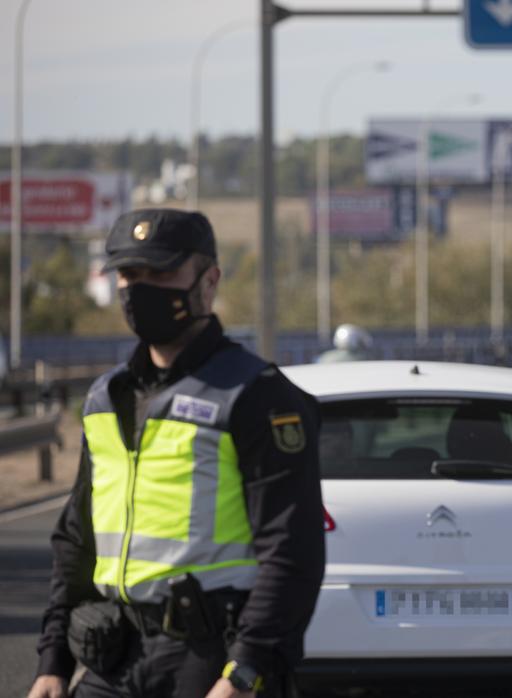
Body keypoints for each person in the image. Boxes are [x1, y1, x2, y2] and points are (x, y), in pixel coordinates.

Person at [27, 209, 325, 698]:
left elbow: (293, 553)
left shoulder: (255, 394)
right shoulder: (106, 397)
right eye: (130, 274)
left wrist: (246, 670)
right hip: (114, 655)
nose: (141, 287)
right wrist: (52, 660)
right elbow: (76, 541)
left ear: (209, 281)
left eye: (162, 272)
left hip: (211, 663)